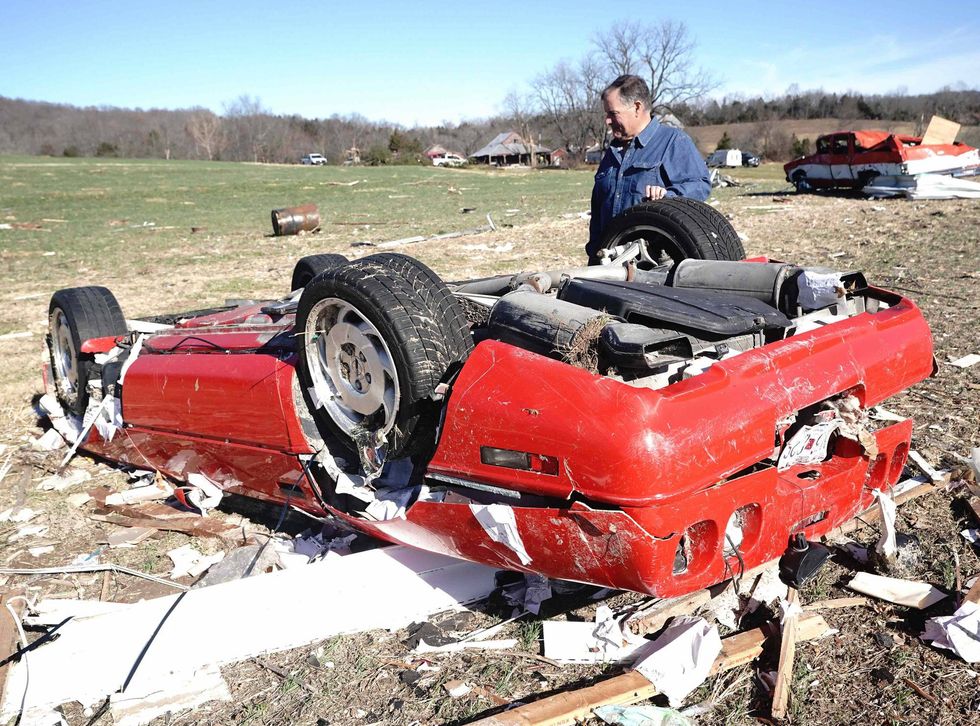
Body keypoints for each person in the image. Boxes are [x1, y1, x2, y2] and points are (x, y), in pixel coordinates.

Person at [586, 75, 711, 262]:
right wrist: (594, 252)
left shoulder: (673, 141)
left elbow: (700, 185)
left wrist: (668, 198)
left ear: (637, 107)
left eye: (613, 113)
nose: (608, 121)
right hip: (607, 262)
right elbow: (597, 209)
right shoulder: (612, 152)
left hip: (651, 266)